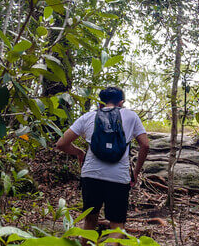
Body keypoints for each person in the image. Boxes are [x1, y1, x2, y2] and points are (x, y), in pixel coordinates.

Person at [55, 86, 150, 236]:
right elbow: (145, 145)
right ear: (121, 103)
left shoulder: (88, 117)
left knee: (90, 220)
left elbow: (61, 144)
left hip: (91, 175)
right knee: (117, 224)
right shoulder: (131, 116)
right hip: (118, 178)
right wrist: (136, 171)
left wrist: (79, 152)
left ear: (100, 104)